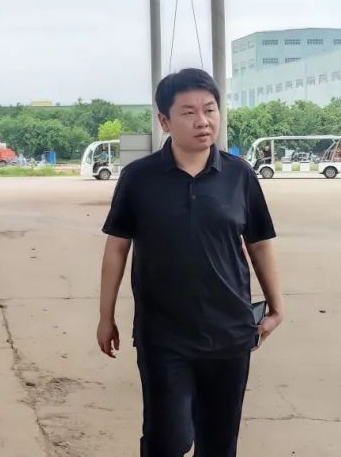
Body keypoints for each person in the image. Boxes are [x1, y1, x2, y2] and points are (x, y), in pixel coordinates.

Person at [96, 68, 284, 457]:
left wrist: (277, 307)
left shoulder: (239, 175)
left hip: (229, 331)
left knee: (219, 442)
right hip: (163, 334)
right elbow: (117, 248)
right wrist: (105, 316)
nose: (203, 121)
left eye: (210, 109)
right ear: (164, 121)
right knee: (168, 439)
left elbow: (260, 244)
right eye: (188, 112)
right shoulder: (139, 178)